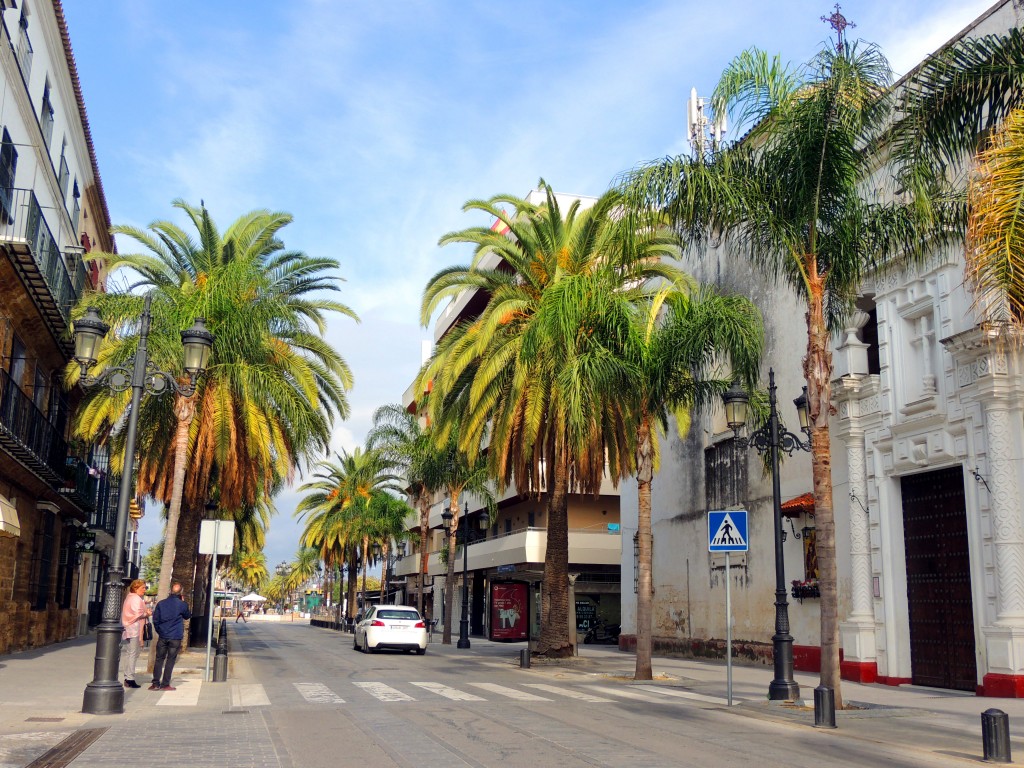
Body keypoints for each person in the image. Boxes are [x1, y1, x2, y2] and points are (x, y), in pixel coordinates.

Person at [150, 581, 192, 691]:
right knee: (170, 659)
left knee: (159, 658)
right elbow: (187, 616)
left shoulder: (161, 603)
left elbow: (155, 620)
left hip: (163, 635)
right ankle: (165, 684)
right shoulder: (182, 605)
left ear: (170, 591)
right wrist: (183, 603)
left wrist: (160, 631)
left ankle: (155, 683)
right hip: (175, 635)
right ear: (181, 592)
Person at [120, 579, 151, 689]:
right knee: (133, 653)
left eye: (145, 587)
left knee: (130, 653)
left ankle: (128, 677)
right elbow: (137, 614)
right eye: (143, 587)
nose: (144, 590)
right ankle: (130, 678)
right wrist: (146, 613)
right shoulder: (136, 599)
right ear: (135, 588)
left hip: (129, 628)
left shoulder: (129, 597)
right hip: (133, 629)